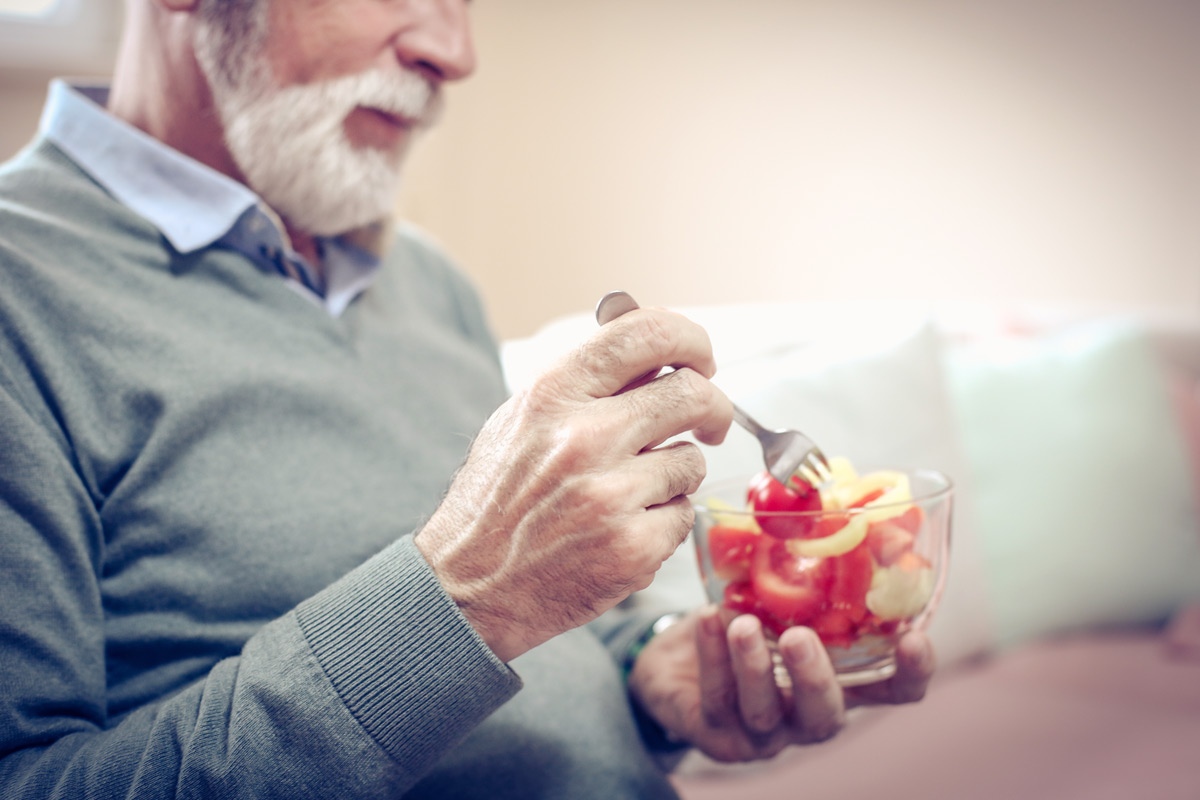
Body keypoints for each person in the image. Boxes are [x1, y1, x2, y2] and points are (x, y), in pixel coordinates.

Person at [0, 1, 936, 797]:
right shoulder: (20, 293)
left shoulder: (427, 281)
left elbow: (536, 628)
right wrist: (466, 597)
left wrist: (649, 666)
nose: (456, 52)